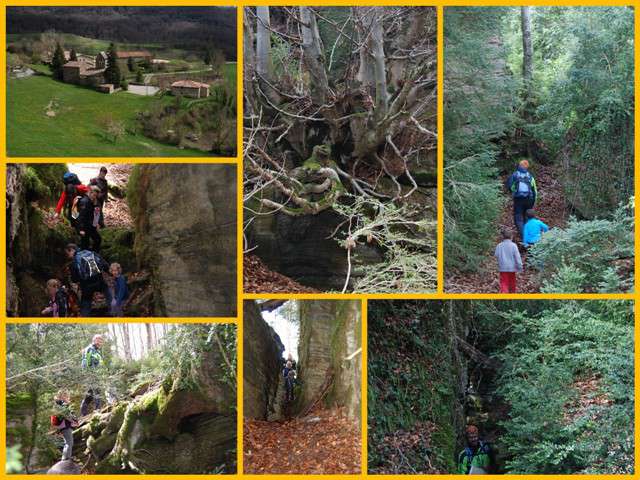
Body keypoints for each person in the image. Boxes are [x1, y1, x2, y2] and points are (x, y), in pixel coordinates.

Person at [65, 244, 109, 317]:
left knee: (86, 303)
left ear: (72, 250)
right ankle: (114, 309)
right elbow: (105, 266)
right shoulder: (92, 253)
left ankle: (85, 317)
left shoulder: (74, 262)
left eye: (67, 253)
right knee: (107, 291)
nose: (68, 256)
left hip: (86, 286)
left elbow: (74, 279)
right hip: (99, 281)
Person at [505, 159, 537, 240]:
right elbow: (535, 191)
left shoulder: (515, 175)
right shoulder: (530, 176)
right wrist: (533, 202)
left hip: (518, 199)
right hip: (529, 199)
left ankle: (524, 237)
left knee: (518, 218)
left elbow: (509, 186)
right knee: (527, 217)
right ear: (527, 167)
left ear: (519, 166)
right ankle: (530, 236)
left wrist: (513, 193)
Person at [80, 334, 105, 416]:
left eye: (101, 340)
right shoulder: (89, 349)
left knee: (89, 395)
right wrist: (90, 375)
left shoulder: (97, 351)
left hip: (97, 375)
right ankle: (98, 411)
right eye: (98, 340)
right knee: (97, 392)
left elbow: (100, 365)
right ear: (93, 340)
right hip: (91, 375)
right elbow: (85, 362)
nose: (99, 342)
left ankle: (83, 414)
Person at [51, 390, 78, 461]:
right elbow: (65, 415)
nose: (68, 397)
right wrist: (73, 421)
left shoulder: (58, 403)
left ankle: (66, 458)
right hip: (64, 426)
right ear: (62, 396)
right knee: (69, 442)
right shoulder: (61, 404)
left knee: (68, 442)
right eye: (66, 396)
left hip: (62, 426)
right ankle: (65, 459)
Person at [495, 227, 523, 293]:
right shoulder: (514, 245)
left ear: (503, 237)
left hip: (502, 267)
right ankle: (512, 293)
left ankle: (505, 293)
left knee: (504, 282)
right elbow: (517, 257)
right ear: (511, 237)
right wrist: (520, 266)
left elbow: (496, 255)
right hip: (512, 268)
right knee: (512, 282)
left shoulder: (499, 245)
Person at [76, 186, 103, 252]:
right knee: (85, 244)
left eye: (96, 196)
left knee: (97, 239)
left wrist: (97, 223)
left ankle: (94, 253)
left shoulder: (94, 202)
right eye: (94, 195)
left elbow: (97, 214)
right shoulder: (85, 202)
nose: (94, 197)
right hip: (84, 227)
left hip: (91, 226)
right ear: (90, 192)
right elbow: (81, 216)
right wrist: (81, 229)